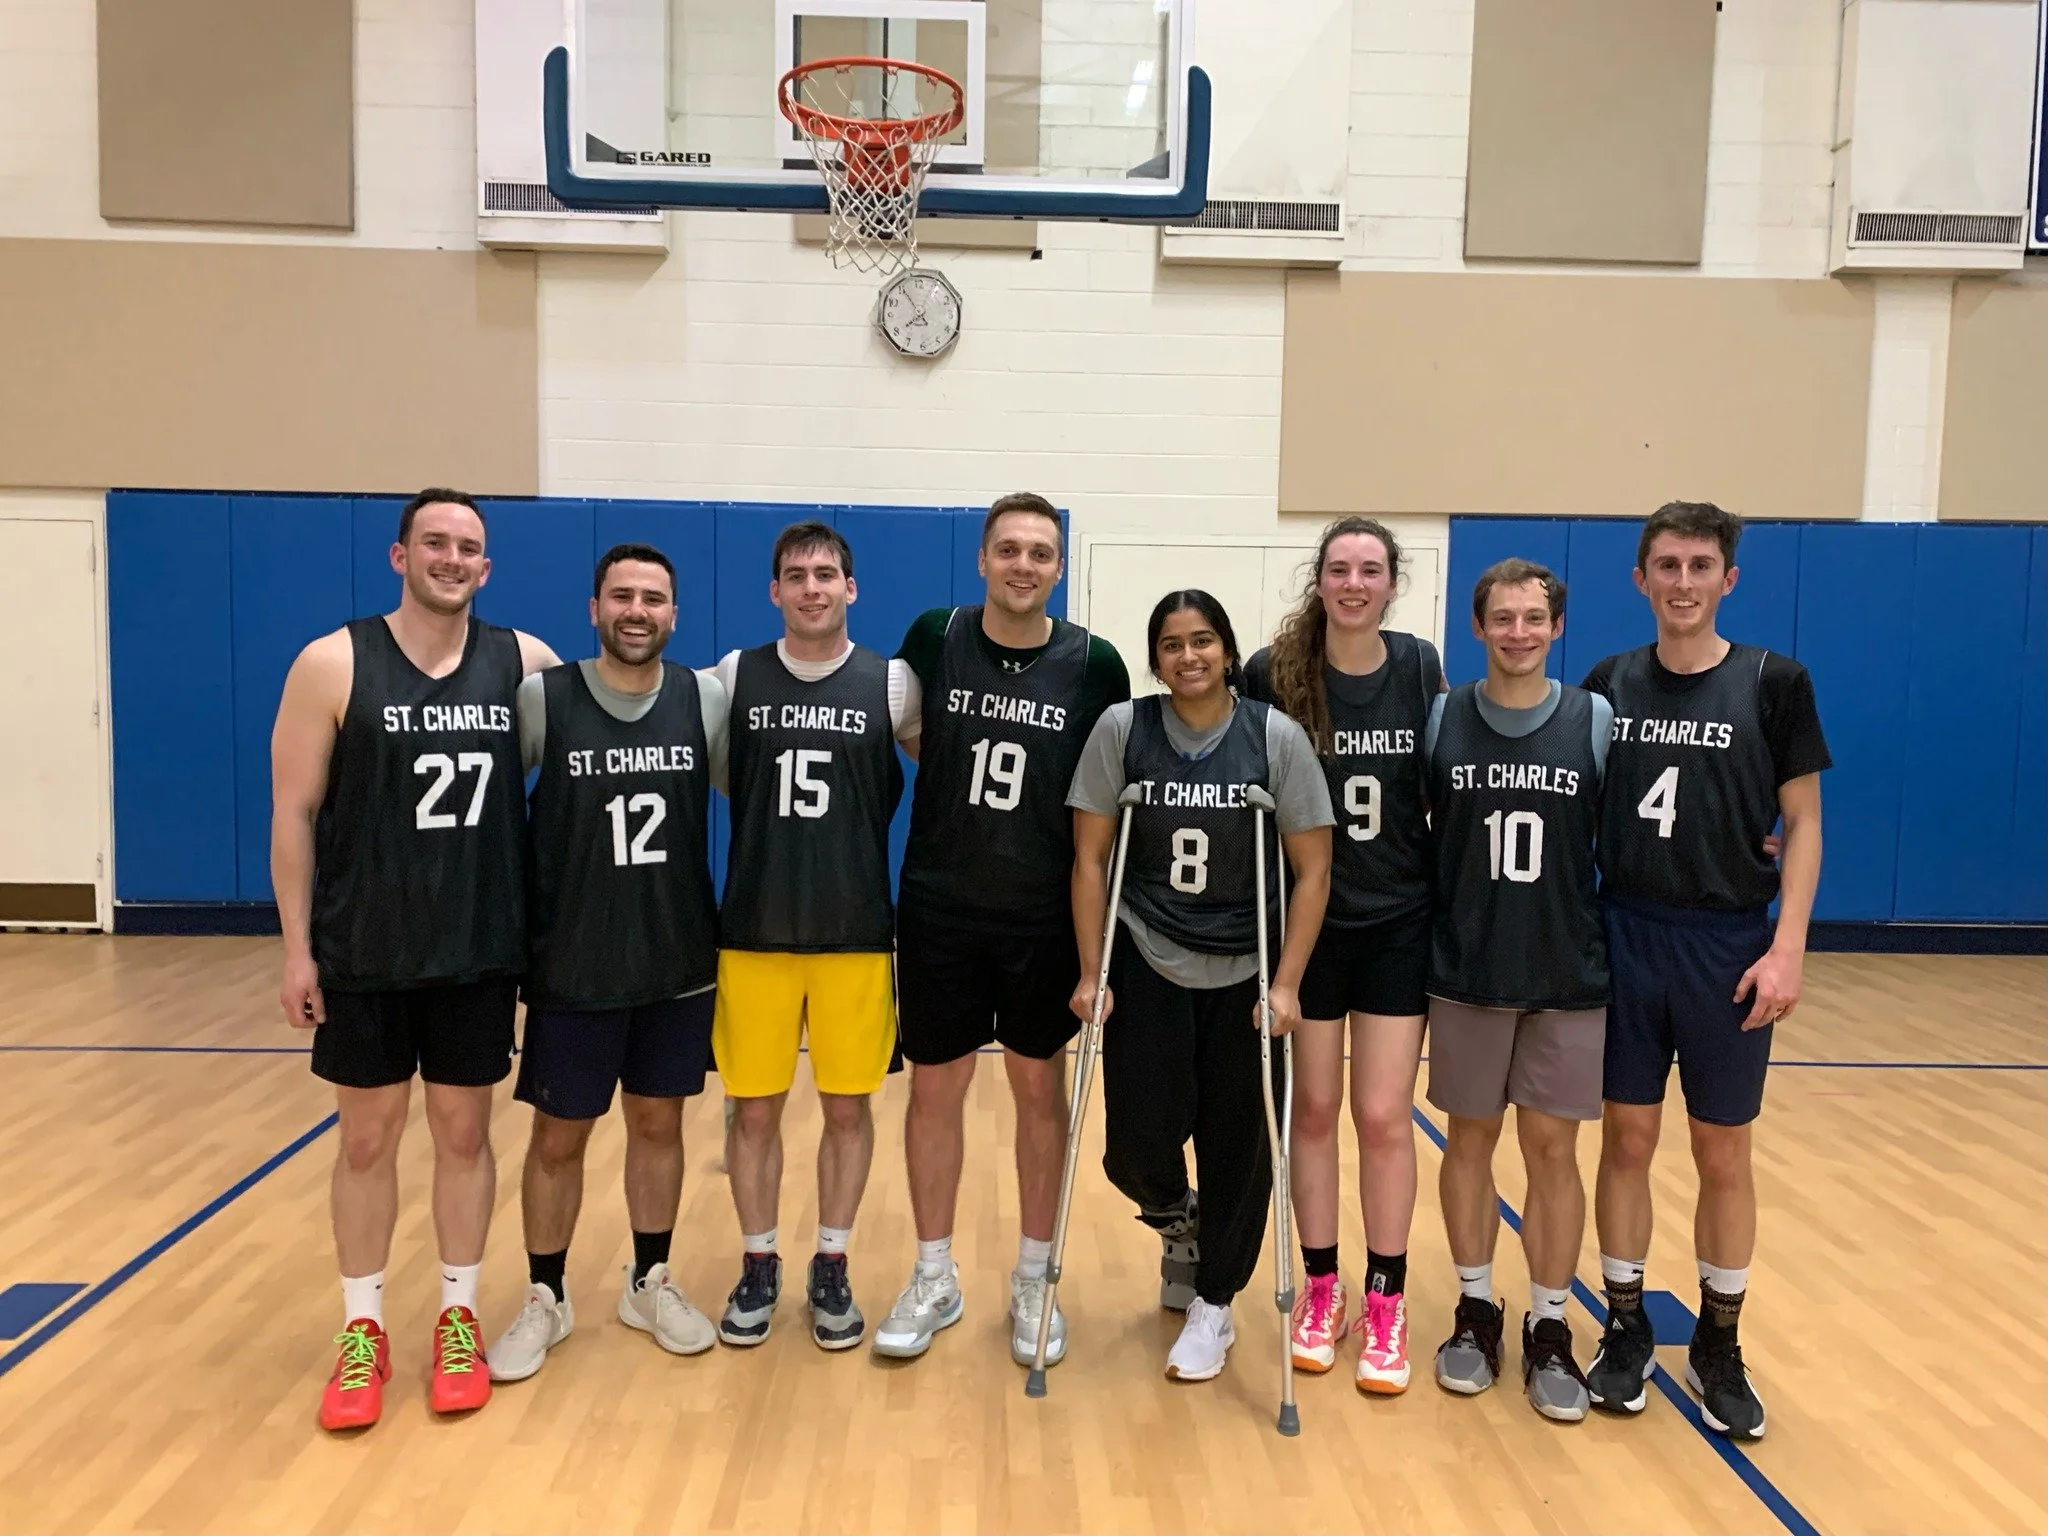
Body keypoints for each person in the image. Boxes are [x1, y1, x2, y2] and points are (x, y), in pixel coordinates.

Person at [272, 489, 559, 1431]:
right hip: (366, 948)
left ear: (487, 566)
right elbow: (294, 816)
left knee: (465, 1138)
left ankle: (457, 1316)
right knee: (365, 1141)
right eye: (434, 542)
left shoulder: (525, 665)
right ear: (400, 555)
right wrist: (295, 949)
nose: (451, 557)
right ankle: (362, 1332)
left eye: (468, 547)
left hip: (478, 949)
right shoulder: (331, 662)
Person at [1581, 501, 1828, 1440]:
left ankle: (1720, 1341)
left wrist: (1787, 947)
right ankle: (1629, 1325)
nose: (1682, 582)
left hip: (1728, 945)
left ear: (1729, 579)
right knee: (1628, 1142)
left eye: (1700, 565)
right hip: (1626, 934)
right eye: (1666, 565)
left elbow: (1801, 821)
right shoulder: (1608, 683)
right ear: (1640, 580)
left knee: (1725, 1151)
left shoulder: (1775, 682)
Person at [874, 494, 1131, 1365]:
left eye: (1042, 553)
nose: (1025, 565)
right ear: (982, 560)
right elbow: (912, 733)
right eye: (1009, 550)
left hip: (1040, 913)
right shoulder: (933, 635)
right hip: (941, 904)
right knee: (934, 1092)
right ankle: (934, 1272)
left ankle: (1034, 1276)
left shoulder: (1095, 663)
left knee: (1036, 1092)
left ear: (1059, 568)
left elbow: (1103, 782)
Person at [1067, 590, 1333, 1383]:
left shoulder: (1273, 737)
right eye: (1173, 645)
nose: (1190, 657)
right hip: (1150, 957)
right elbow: (1089, 861)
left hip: (1247, 970)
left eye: (1205, 641)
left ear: (1226, 650)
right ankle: (1178, 1220)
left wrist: (1287, 986)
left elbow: (1314, 870)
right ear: (1155, 659)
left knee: (1238, 1147)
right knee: (1137, 1143)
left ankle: (1215, 1302)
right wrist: (1092, 971)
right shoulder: (1124, 731)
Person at [488, 544, 726, 1383]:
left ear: (673, 613)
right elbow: (483, 815)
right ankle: (546, 1295)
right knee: (559, 1137)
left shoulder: (705, 699)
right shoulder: (543, 700)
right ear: (593, 608)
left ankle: (648, 1278)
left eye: (653, 598)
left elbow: (756, 797)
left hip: (677, 960)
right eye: (621, 596)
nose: (637, 611)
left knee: (660, 1126)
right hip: (574, 966)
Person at [1246, 517, 1442, 1393]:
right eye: (1339, 568)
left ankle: (1388, 1299)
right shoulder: (1273, 675)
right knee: (1315, 1113)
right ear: (1317, 579)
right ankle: (1321, 1289)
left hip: (1399, 920)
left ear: (1393, 583)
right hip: (1308, 928)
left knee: (1384, 1117)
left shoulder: (1419, 668)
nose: (1354, 582)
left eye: (1371, 569)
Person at [710, 521, 915, 1351]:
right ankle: (759, 1262)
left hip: (855, 934)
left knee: (846, 1108)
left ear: (851, 588)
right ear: (774, 591)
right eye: (795, 575)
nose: (812, 587)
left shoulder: (895, 684)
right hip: (754, 932)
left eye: (826, 573)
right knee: (751, 1112)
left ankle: (831, 1262)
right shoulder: (732, 677)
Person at [1425, 558, 1612, 1424]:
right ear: (1479, 628)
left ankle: (1548, 1324)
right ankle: (1473, 1310)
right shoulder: (1444, 717)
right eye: (1502, 619)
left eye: (1534, 619)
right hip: (1468, 967)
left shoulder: (1594, 722)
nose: (1518, 633)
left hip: (1566, 974)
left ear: (1557, 626)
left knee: (1551, 1154)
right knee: (1469, 1143)